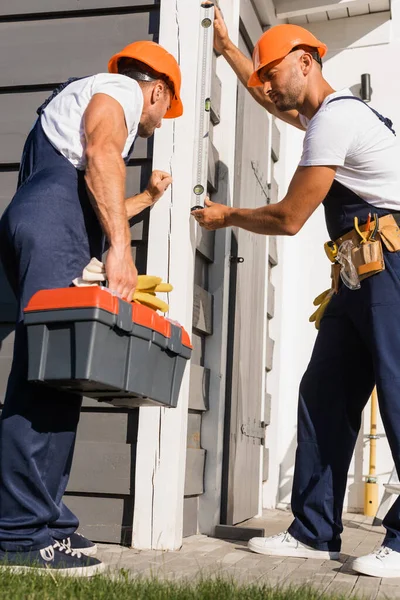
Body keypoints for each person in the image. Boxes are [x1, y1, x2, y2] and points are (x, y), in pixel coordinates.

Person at [193, 7, 400, 579]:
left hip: (393, 265)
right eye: (258, 76)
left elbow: (289, 218)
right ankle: (314, 532)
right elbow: (269, 103)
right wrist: (234, 52)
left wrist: (226, 214)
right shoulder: (323, 119)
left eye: (271, 71)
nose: (265, 84)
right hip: (360, 272)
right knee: (324, 394)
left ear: (305, 62)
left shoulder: (335, 117)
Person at [0, 40, 183, 576]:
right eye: (163, 110)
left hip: (46, 219)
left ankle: (48, 520)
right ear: (156, 89)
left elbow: (91, 196)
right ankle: (19, 531)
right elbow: (102, 156)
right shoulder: (120, 90)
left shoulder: (81, 100)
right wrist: (121, 251)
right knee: (44, 379)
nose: (158, 121)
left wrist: (145, 200)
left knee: (59, 375)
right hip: (52, 225)